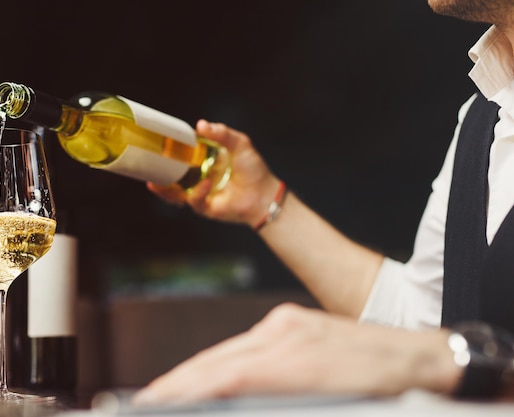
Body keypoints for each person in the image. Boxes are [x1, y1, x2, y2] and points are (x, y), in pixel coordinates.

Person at [131, 0, 514, 407]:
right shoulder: (483, 119)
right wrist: (261, 200)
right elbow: (422, 325)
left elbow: (434, 355)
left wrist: (447, 361)